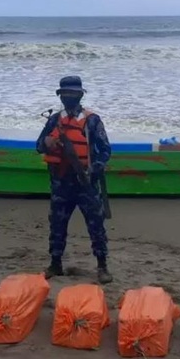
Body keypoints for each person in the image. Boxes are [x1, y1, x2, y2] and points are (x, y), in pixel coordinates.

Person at [36, 76, 113, 284]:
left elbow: (105, 150)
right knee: (57, 225)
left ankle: (102, 266)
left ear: (80, 95)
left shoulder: (92, 120)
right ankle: (55, 264)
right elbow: (38, 145)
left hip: (86, 184)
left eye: (72, 94)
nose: (68, 98)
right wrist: (47, 143)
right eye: (65, 94)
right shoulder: (54, 120)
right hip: (61, 183)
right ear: (60, 96)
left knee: (96, 225)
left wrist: (93, 170)